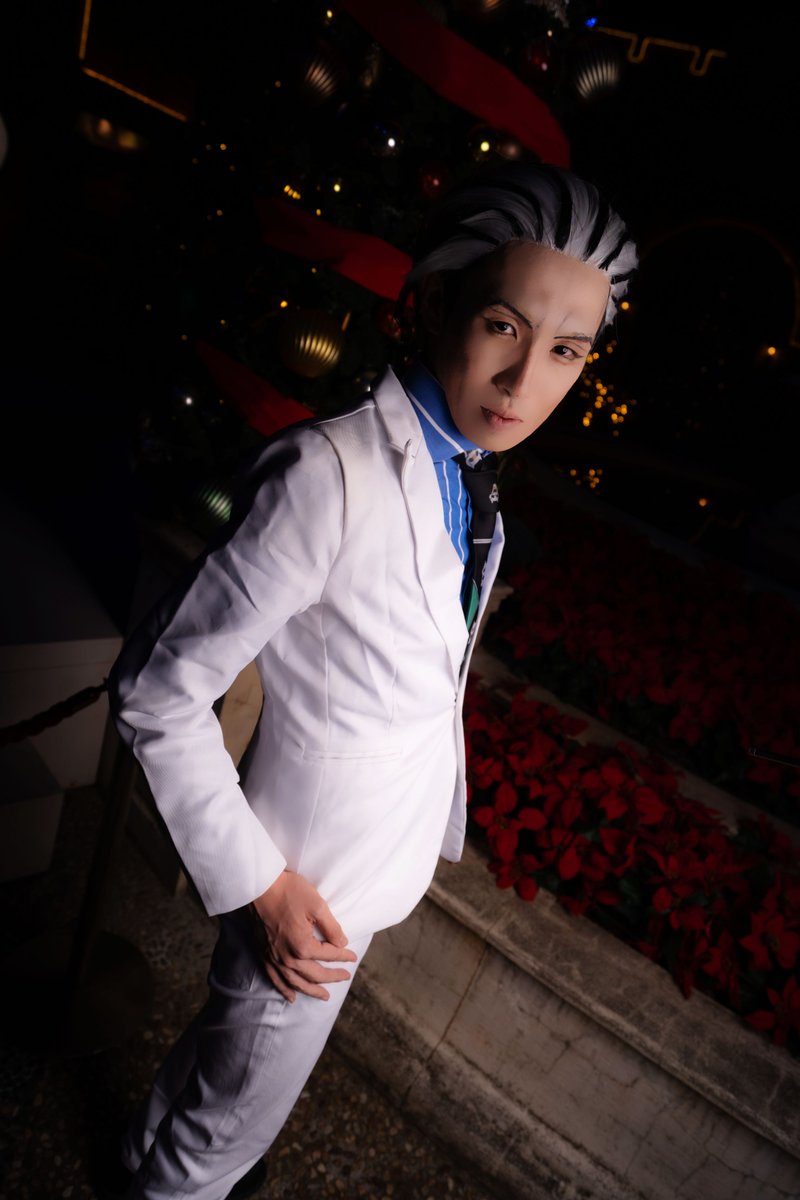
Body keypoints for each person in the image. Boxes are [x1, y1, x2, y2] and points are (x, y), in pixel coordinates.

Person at [99, 161, 637, 1200]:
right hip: (302, 897)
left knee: (220, 1078)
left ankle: (142, 1156)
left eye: (565, 351)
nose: (524, 384)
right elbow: (156, 691)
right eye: (503, 326)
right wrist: (264, 888)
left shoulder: (474, 477)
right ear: (434, 305)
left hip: (363, 864)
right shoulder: (325, 473)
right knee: (224, 1134)